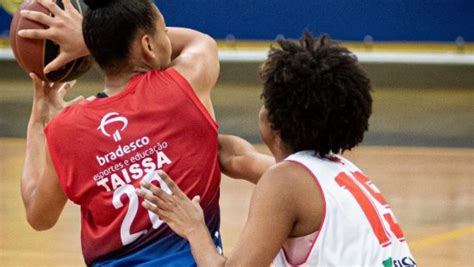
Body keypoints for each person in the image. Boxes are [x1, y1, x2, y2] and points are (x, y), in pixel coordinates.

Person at [19, 0, 275, 265]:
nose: (166, 36)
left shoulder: (65, 130)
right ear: (148, 46)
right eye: (163, 30)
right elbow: (201, 42)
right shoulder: (184, 86)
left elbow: (39, 217)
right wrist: (87, 38)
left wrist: (38, 125)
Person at [138, 33, 417, 266]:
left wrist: (193, 227)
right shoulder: (332, 173)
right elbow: (238, 157)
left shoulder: (286, 183)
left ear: (272, 117)